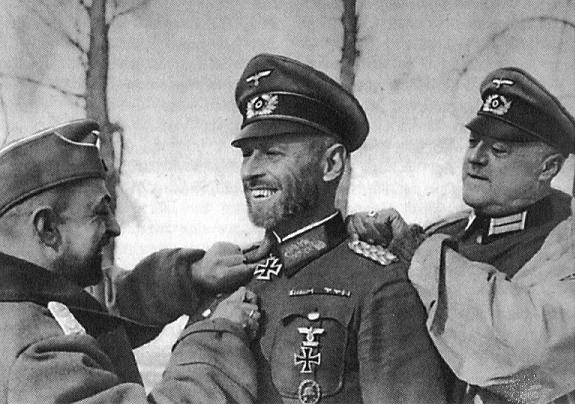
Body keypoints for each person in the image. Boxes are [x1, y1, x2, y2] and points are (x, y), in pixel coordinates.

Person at [347, 67, 575, 403]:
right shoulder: (443, 234)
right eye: (473, 142)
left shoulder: (566, 243)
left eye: (499, 150)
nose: (475, 158)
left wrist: (415, 253)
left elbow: (531, 360)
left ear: (549, 167)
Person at [229, 53, 446, 403]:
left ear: (331, 164)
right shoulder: (235, 275)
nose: (251, 170)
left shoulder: (377, 284)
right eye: (246, 154)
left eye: (271, 153)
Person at [0, 120, 263, 403]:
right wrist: (219, 337)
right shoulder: (34, 352)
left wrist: (191, 274)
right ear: (48, 228)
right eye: (100, 212)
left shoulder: (24, 299)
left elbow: (103, 304)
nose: (115, 228)